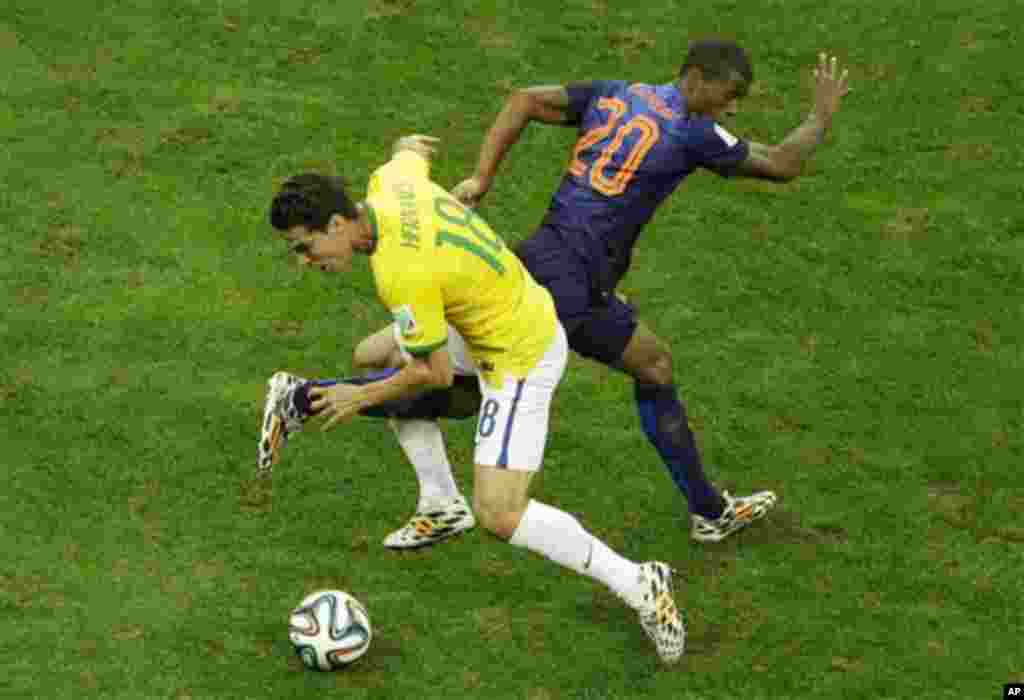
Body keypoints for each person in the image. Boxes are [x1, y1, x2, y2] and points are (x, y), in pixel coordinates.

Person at [262, 135, 686, 663]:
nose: (305, 261)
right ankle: (441, 502)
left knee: (500, 511)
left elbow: (433, 372)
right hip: (485, 303)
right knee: (371, 353)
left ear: (335, 225)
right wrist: (414, 151)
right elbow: (410, 148)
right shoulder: (389, 182)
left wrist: (360, 398)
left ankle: (640, 583)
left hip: (518, 352)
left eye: (305, 247)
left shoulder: (401, 271)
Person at [448, 41, 851, 542]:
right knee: (453, 385)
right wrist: (820, 116)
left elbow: (523, 101)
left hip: (537, 259)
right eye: (729, 97)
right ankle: (337, 399)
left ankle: (709, 509)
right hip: (574, 289)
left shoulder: (618, 94)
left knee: (459, 370)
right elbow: (784, 163)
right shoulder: (692, 132)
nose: (731, 109)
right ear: (698, 79)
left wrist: (481, 178)